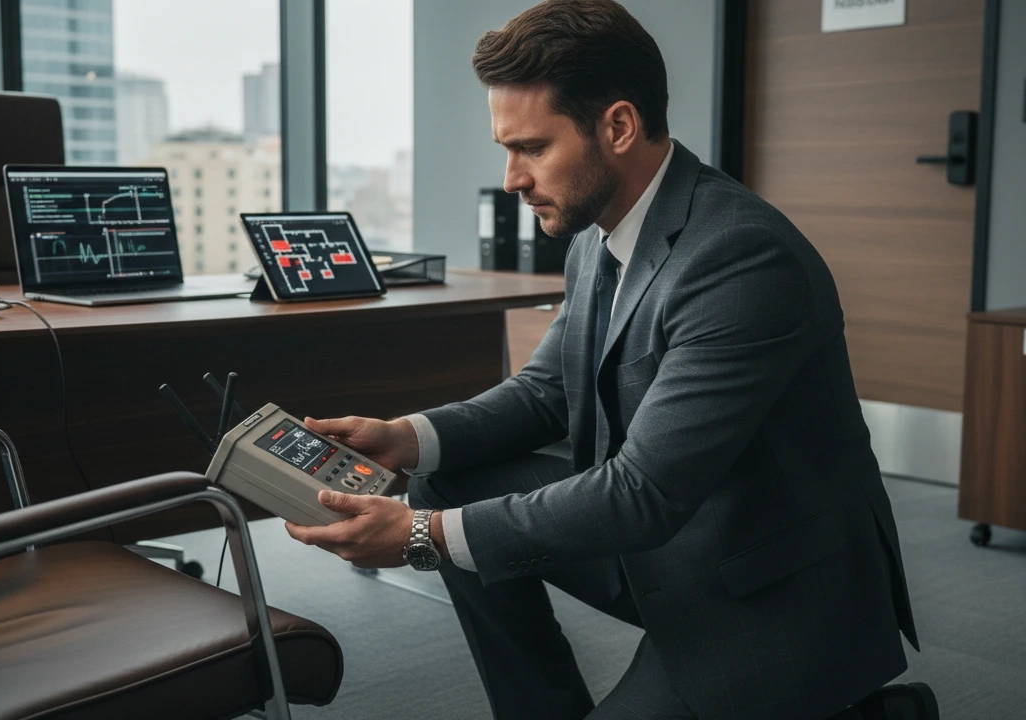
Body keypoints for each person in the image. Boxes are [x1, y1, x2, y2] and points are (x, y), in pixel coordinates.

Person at [286, 1, 933, 718]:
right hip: (665, 539)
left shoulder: (742, 259)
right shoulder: (601, 233)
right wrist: (405, 438)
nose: (512, 179)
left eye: (531, 148)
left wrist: (416, 534)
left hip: (766, 593)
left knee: (441, 522)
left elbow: (643, 494)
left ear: (618, 127)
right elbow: (544, 395)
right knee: (447, 480)